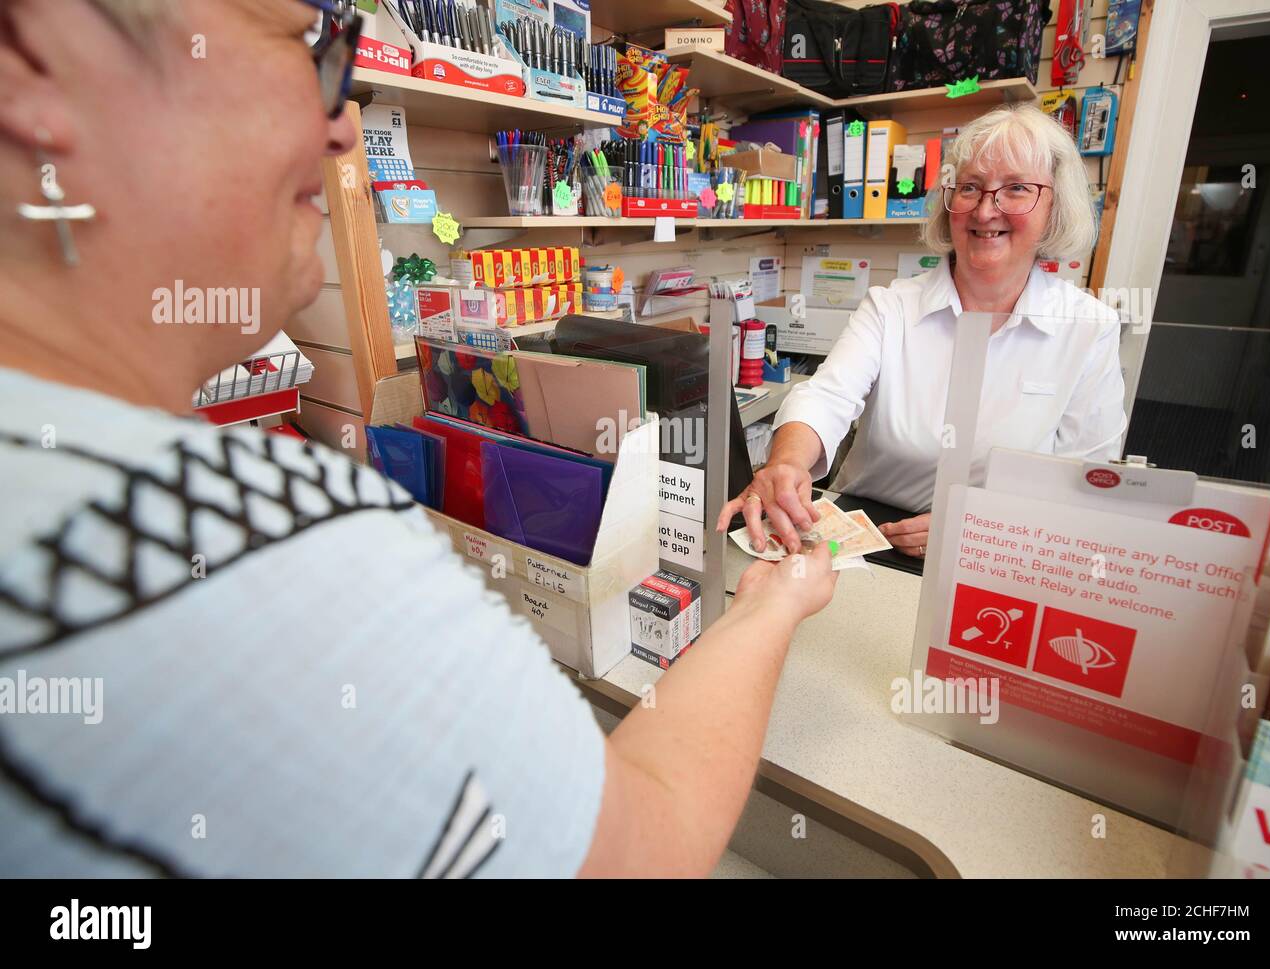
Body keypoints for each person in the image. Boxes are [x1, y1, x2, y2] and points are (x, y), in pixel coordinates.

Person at [0, 0, 837, 878]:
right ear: (36, 57)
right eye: (305, 45)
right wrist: (773, 604)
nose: (341, 126)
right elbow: (642, 849)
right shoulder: (275, 553)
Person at [719, 104, 1127, 560]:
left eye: (1015, 188)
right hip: (871, 538)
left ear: (1054, 207)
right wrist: (786, 461)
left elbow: (1090, 486)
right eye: (969, 187)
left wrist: (977, 531)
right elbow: (826, 398)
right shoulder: (891, 306)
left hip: (1003, 553)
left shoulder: (1089, 329)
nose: (986, 208)